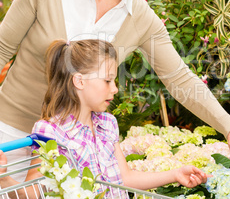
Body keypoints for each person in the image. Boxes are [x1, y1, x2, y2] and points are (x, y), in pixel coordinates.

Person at [0, 0, 230, 180]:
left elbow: (179, 79)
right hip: (9, 133)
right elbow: (2, 48)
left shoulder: (139, 16)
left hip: (74, 149)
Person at [0, 39, 208, 198]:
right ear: (79, 81)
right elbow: (34, 191)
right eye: (108, 80)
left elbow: (125, 178)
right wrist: (4, 177)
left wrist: (175, 174)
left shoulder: (107, 124)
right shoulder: (50, 131)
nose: (115, 89)